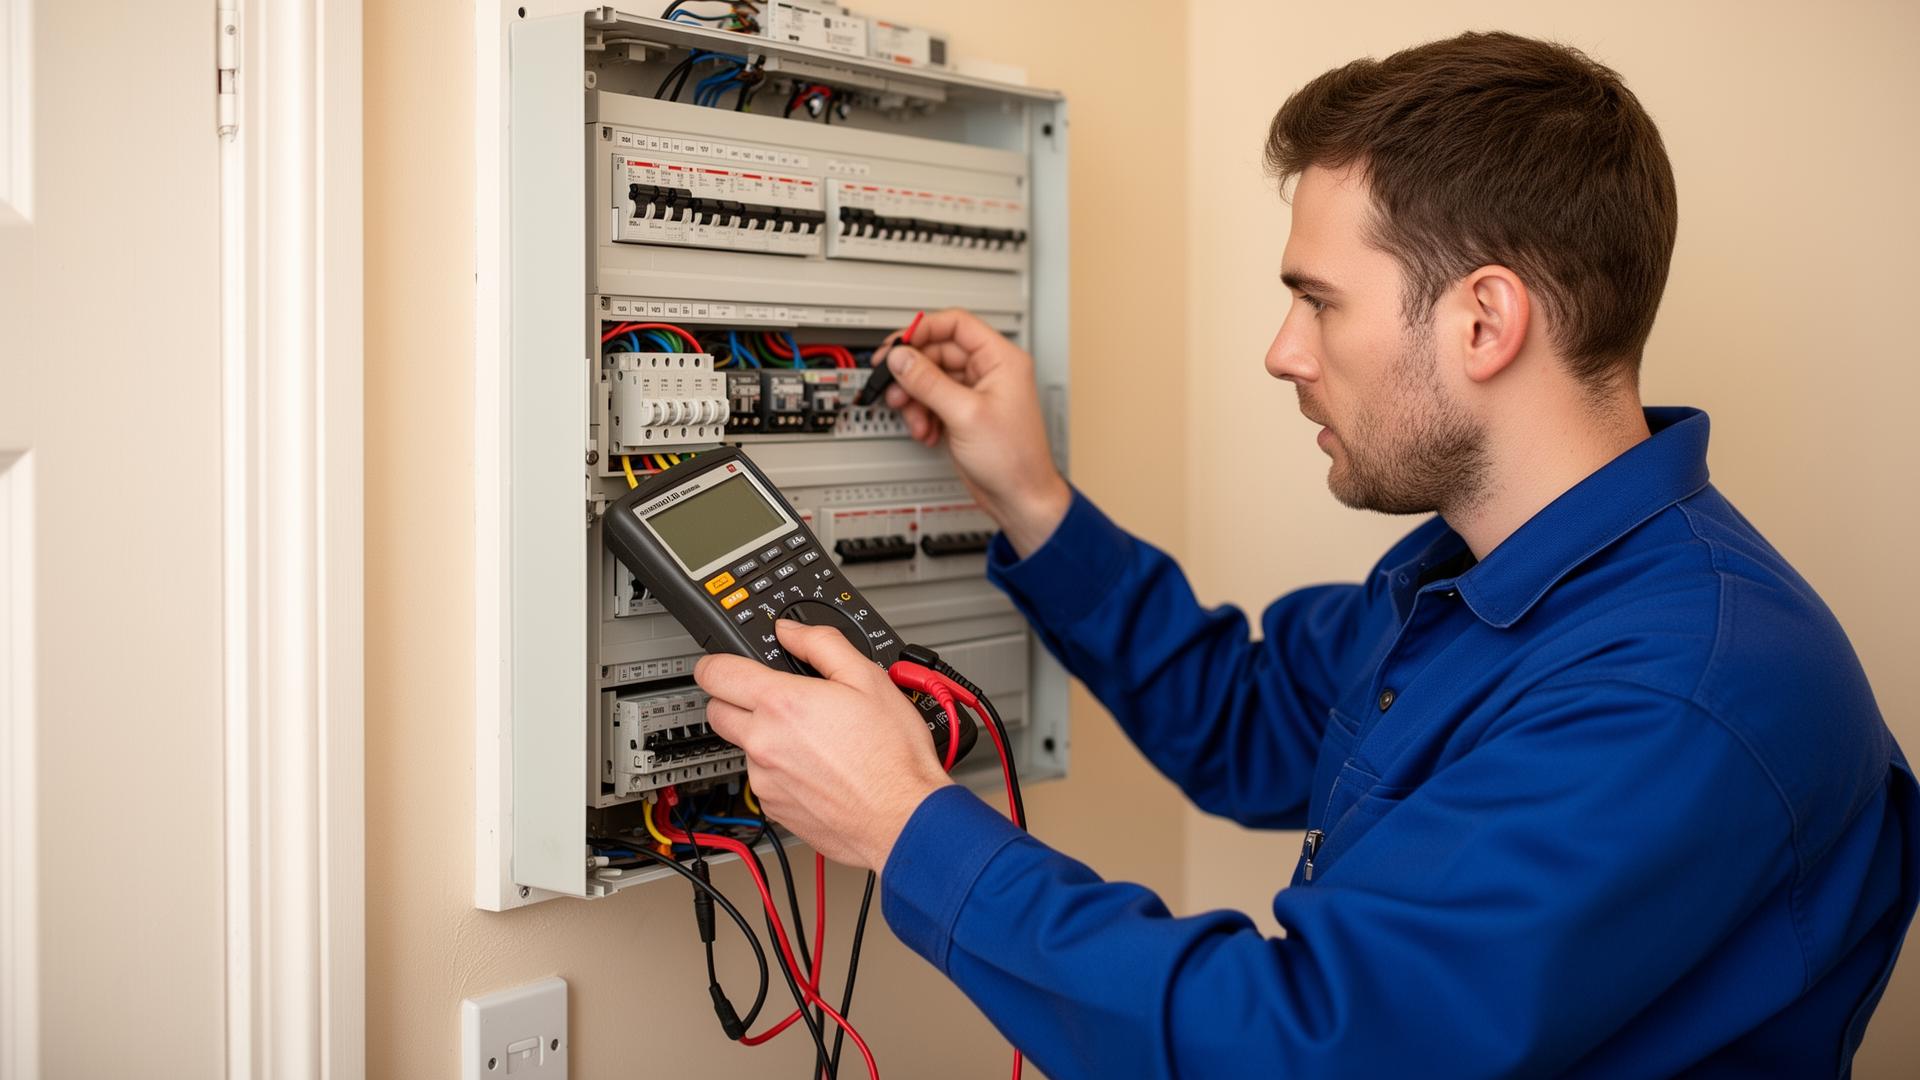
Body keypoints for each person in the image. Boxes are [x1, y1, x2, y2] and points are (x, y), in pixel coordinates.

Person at [695, 31, 1918, 1077]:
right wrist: (1032, 498)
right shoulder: (1475, 582)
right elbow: (1242, 716)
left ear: (1484, 321)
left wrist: (907, 825)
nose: (1284, 351)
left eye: (1319, 300)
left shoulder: (1681, 690)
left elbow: (1312, 1049)